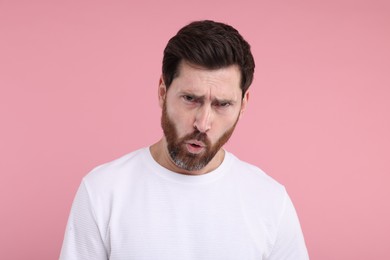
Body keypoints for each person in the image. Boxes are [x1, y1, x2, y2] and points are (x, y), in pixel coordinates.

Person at [60, 20, 309, 260]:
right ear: (162, 92)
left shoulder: (270, 201)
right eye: (190, 99)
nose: (202, 123)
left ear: (243, 105)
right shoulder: (102, 191)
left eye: (222, 104)